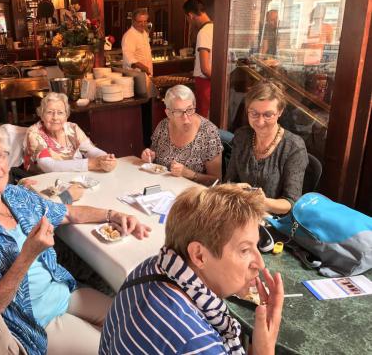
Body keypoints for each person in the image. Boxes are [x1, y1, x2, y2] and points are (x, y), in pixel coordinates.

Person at [0, 118, 151, 355]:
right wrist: (28, 254)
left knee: (136, 324)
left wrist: (113, 214)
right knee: (118, 348)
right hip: (31, 318)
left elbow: (66, 213)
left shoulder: (15, 194)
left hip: (62, 290)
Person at [100, 184, 284, 354]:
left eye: (256, 246)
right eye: (244, 250)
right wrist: (265, 349)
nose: (260, 263)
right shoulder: (198, 344)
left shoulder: (151, 265)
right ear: (199, 255)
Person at [225, 80, 309, 214]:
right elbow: (229, 181)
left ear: (280, 112)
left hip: (272, 221)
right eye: (254, 113)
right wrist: (233, 188)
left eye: (268, 115)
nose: (260, 121)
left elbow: (290, 202)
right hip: (240, 212)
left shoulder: (294, 147)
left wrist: (263, 202)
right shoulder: (242, 136)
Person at [141, 85, 222, 185]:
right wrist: (149, 157)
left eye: (189, 110)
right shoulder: (163, 126)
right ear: (168, 113)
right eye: (178, 112)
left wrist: (190, 174)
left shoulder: (209, 132)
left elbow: (217, 181)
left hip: (192, 196)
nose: (186, 118)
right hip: (162, 190)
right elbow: (153, 160)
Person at [23, 92, 117, 173]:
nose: (55, 117)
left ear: (66, 116)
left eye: (60, 113)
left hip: (73, 178)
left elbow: (89, 150)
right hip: (43, 182)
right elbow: (48, 166)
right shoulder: (34, 133)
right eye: (49, 112)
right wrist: (91, 164)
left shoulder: (72, 128)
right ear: (41, 115)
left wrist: (105, 158)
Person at [184, 0, 213, 117]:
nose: (189, 22)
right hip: (211, 82)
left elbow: (205, 68)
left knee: (203, 120)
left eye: (187, 18)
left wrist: (217, 82)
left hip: (205, 83)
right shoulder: (215, 28)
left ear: (190, 15)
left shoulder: (204, 32)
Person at [121, 8, 153, 76]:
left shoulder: (144, 33)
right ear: (133, 21)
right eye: (140, 21)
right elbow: (128, 57)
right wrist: (142, 67)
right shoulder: (129, 36)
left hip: (146, 75)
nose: (143, 24)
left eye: (145, 21)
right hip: (135, 76)